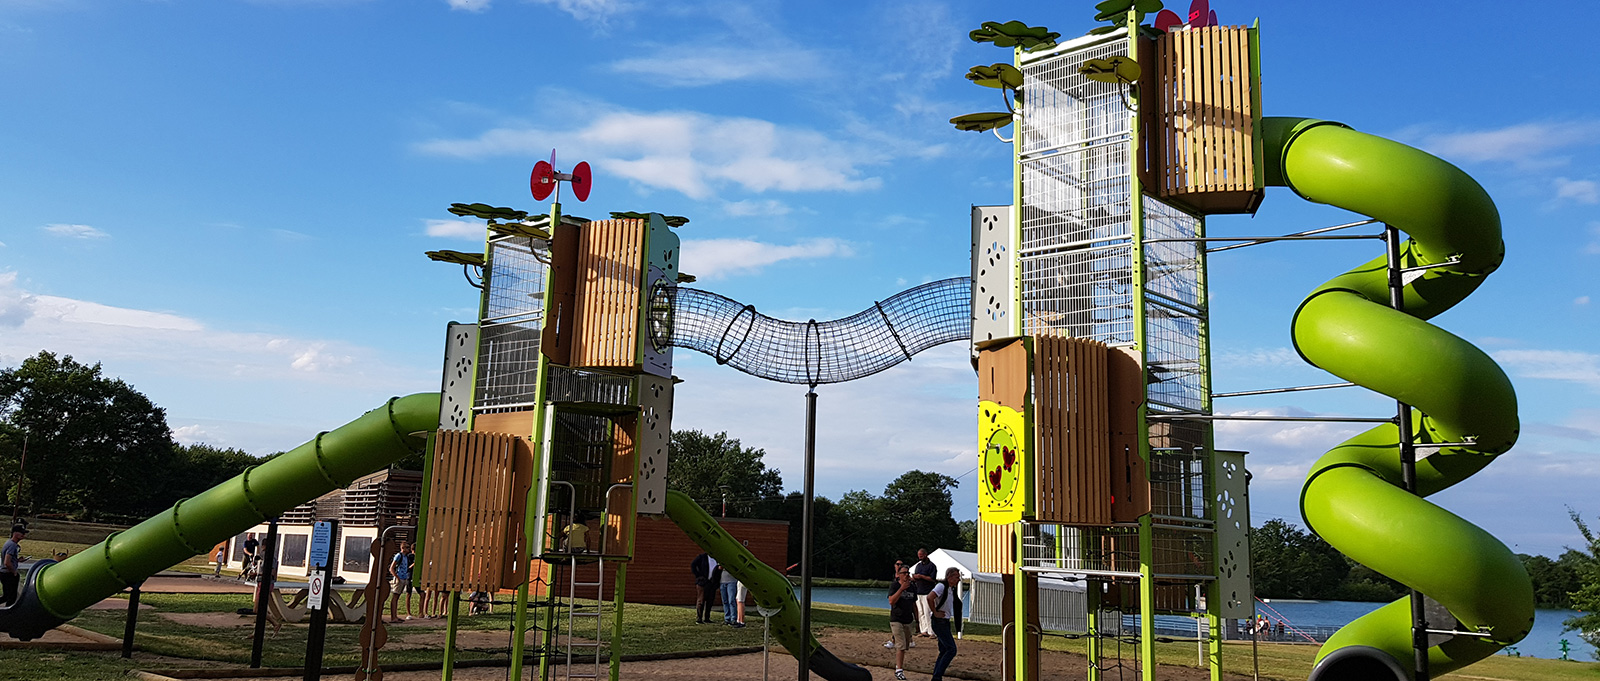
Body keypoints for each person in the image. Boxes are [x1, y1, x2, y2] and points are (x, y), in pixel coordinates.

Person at [927, 567, 962, 681]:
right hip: (939, 622)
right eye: (957, 577)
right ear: (949, 577)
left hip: (944, 621)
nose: (959, 579)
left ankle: (936, 677)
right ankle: (937, 676)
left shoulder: (951, 589)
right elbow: (930, 597)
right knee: (951, 649)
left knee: (944, 650)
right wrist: (935, 612)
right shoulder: (941, 586)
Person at [887, 563, 918, 680]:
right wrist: (901, 589)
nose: (906, 575)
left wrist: (917, 620)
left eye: (907, 573)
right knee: (900, 645)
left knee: (905, 646)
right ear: (898, 575)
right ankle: (899, 670)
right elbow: (891, 601)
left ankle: (898, 666)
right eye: (904, 573)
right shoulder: (894, 586)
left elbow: (914, 604)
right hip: (896, 619)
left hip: (908, 619)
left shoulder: (912, 587)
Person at [388, 541, 418, 623]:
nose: (408, 549)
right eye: (407, 547)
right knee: (395, 597)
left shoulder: (406, 557)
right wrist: (397, 577)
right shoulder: (399, 556)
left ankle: (395, 616)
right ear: (402, 548)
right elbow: (391, 568)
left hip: (404, 578)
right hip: (399, 578)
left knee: (398, 597)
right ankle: (393, 617)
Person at [910, 547, 938, 637]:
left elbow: (932, 579)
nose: (920, 557)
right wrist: (914, 577)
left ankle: (931, 632)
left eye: (921, 555)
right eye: (919, 556)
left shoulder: (931, 566)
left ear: (925, 555)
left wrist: (922, 576)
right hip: (919, 591)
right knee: (921, 612)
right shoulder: (918, 566)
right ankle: (923, 630)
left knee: (928, 612)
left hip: (927, 592)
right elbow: (915, 577)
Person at [690, 552, 719, 623]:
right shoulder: (702, 557)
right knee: (701, 600)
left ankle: (707, 618)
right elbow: (693, 565)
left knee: (710, 600)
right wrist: (698, 575)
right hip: (702, 582)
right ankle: (699, 618)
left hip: (712, 583)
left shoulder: (717, 559)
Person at [2, 524, 25, 607]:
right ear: (15, 533)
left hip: (4, 573)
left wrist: (17, 560)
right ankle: (7, 617)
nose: (23, 535)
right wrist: (14, 572)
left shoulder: (8, 543)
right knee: (11, 598)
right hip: (8, 574)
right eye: (21, 533)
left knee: (6, 597)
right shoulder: (12, 545)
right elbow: (7, 562)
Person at [718, 560, 741, 626]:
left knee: (731, 600)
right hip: (722, 581)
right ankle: (727, 618)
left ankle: (733, 618)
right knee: (725, 601)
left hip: (732, 581)